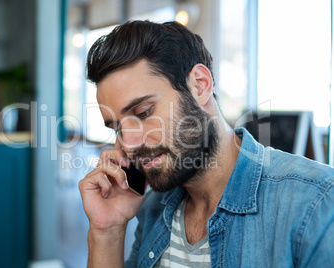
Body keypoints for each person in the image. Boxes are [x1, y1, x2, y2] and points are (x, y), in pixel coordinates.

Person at [78, 20, 334, 268]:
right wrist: (107, 230)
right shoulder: (153, 208)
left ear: (200, 85)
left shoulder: (315, 204)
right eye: (118, 128)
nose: (129, 144)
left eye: (144, 112)